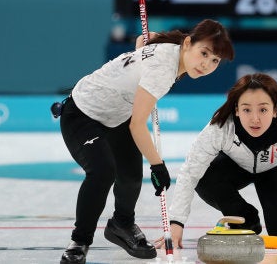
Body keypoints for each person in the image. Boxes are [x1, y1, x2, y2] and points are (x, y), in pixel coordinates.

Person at [55, 19, 235, 264]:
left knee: (129, 175)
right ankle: (79, 242)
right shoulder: (163, 68)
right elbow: (137, 125)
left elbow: (144, 40)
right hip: (83, 113)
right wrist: (157, 165)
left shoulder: (172, 48)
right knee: (102, 172)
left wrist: (144, 47)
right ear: (187, 43)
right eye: (203, 53)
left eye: (215, 60)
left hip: (116, 114)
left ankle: (121, 225)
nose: (206, 64)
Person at [154, 73, 277, 250]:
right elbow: (190, 173)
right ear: (237, 110)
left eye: (263, 110)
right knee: (202, 175)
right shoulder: (221, 126)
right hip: (235, 166)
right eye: (247, 110)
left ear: (275, 110)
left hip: (276, 169)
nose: (254, 119)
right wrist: (176, 223)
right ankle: (246, 220)